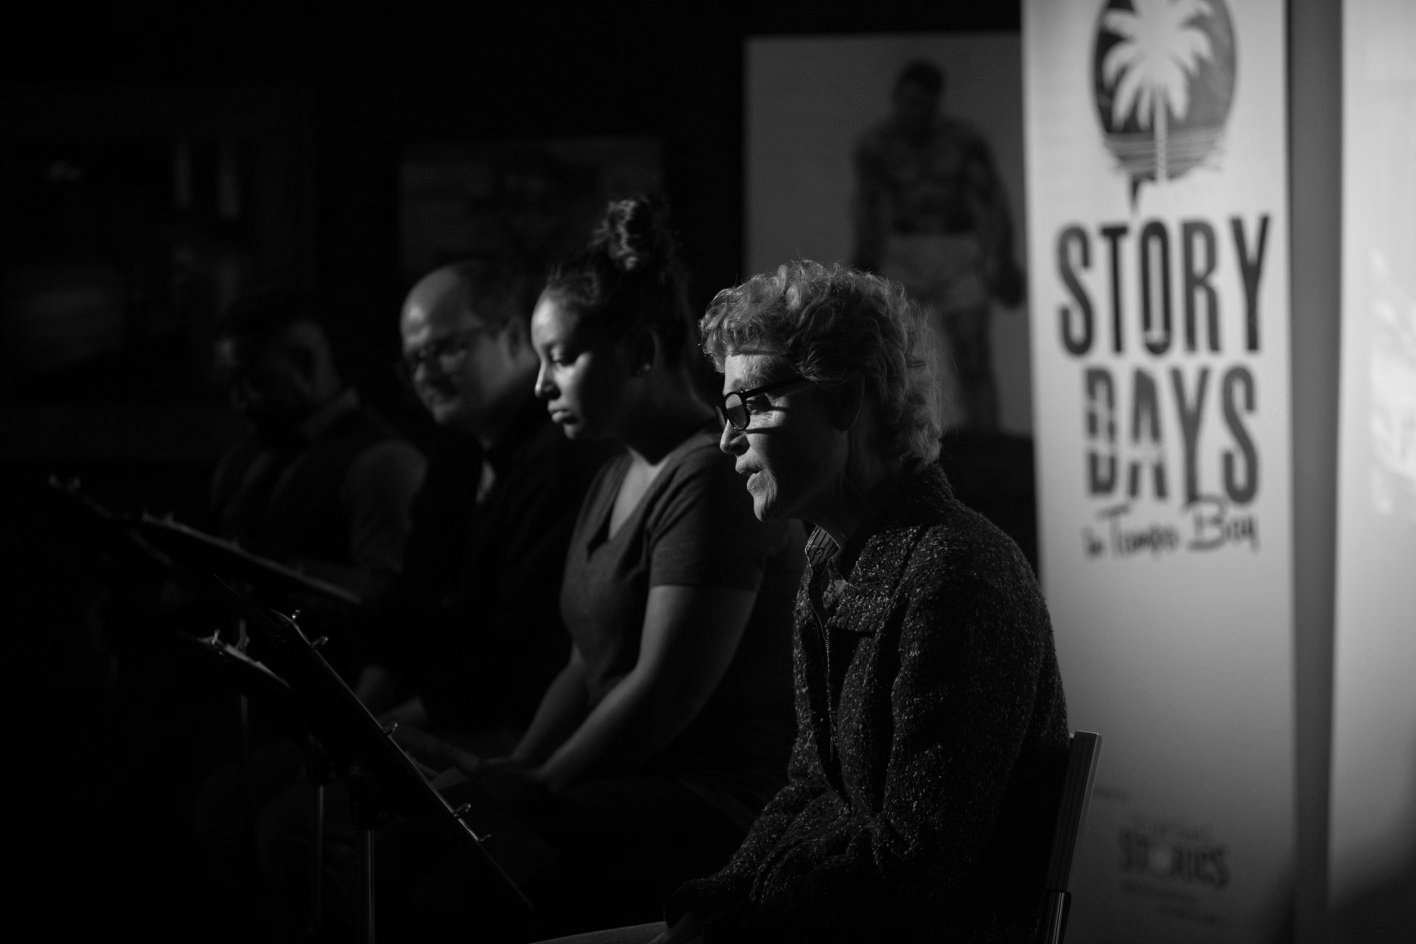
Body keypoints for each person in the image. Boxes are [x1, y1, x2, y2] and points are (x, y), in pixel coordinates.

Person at [547, 260, 1068, 944]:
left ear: (845, 400)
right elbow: (810, 788)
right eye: (726, 410)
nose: (728, 437)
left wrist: (736, 924)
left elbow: (918, 863)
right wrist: (713, 904)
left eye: (752, 404)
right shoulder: (831, 558)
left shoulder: (956, 576)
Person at [333, 195, 804, 943]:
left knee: (452, 895)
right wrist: (519, 766)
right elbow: (586, 662)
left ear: (641, 353)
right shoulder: (614, 474)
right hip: (627, 779)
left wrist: (545, 782)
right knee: (397, 858)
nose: (541, 385)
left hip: (710, 798)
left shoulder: (710, 478)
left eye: (563, 358)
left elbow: (664, 690)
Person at [207, 288, 426, 603]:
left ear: (304, 363)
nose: (238, 401)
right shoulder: (244, 458)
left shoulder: (383, 462)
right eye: (231, 382)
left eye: (254, 380)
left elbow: (392, 599)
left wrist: (276, 576)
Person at [852, 59, 1025, 433]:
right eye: (908, 101)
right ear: (897, 98)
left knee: (972, 350)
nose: (915, 111)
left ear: (935, 102)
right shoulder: (877, 146)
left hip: (957, 248)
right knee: (893, 350)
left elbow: (993, 202)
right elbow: (868, 206)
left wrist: (1001, 258)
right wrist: (865, 260)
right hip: (904, 249)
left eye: (923, 103)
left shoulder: (962, 142)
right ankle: (893, 438)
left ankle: (986, 438)